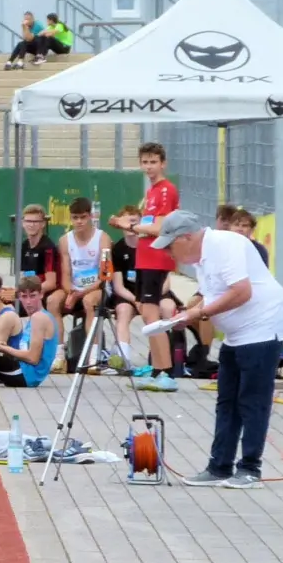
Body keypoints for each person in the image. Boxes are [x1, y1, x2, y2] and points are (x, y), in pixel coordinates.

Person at [152, 211, 283, 489]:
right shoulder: (202, 257)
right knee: (226, 400)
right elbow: (212, 293)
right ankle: (219, 466)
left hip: (263, 329)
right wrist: (186, 314)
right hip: (236, 334)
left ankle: (250, 469)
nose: (169, 253)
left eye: (171, 245)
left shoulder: (225, 245)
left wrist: (199, 314)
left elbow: (242, 292)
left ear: (187, 237)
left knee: (252, 400)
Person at [109, 142, 179, 389]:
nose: (149, 167)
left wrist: (126, 226)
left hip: (156, 258)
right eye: (145, 162)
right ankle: (158, 369)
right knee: (149, 315)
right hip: (145, 258)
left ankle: (167, 373)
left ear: (163, 163)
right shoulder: (150, 192)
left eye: (153, 162)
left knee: (152, 314)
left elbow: (160, 227)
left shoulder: (165, 190)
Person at [56, 196, 112, 368]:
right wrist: (70, 291)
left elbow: (105, 274)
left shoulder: (103, 238)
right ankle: (59, 355)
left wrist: (82, 292)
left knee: (89, 303)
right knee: (52, 302)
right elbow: (65, 274)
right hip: (74, 287)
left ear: (90, 217)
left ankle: (93, 357)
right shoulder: (65, 241)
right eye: (75, 218)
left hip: (97, 287)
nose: (79, 222)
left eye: (83, 217)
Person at [0, 276, 59, 388]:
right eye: (24, 297)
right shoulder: (36, 317)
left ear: (41, 294)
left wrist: (4, 348)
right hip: (25, 373)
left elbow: (33, 358)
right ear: (19, 297)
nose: (28, 302)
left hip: (26, 375)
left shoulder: (39, 318)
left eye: (33, 296)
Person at [15, 204, 60, 318]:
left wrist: (27, 293)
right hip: (29, 292)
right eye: (28, 221)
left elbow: (50, 283)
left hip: (43, 294)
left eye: (36, 222)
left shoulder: (48, 248)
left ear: (43, 224)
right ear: (22, 223)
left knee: (7, 310)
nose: (31, 225)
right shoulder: (23, 245)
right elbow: (23, 277)